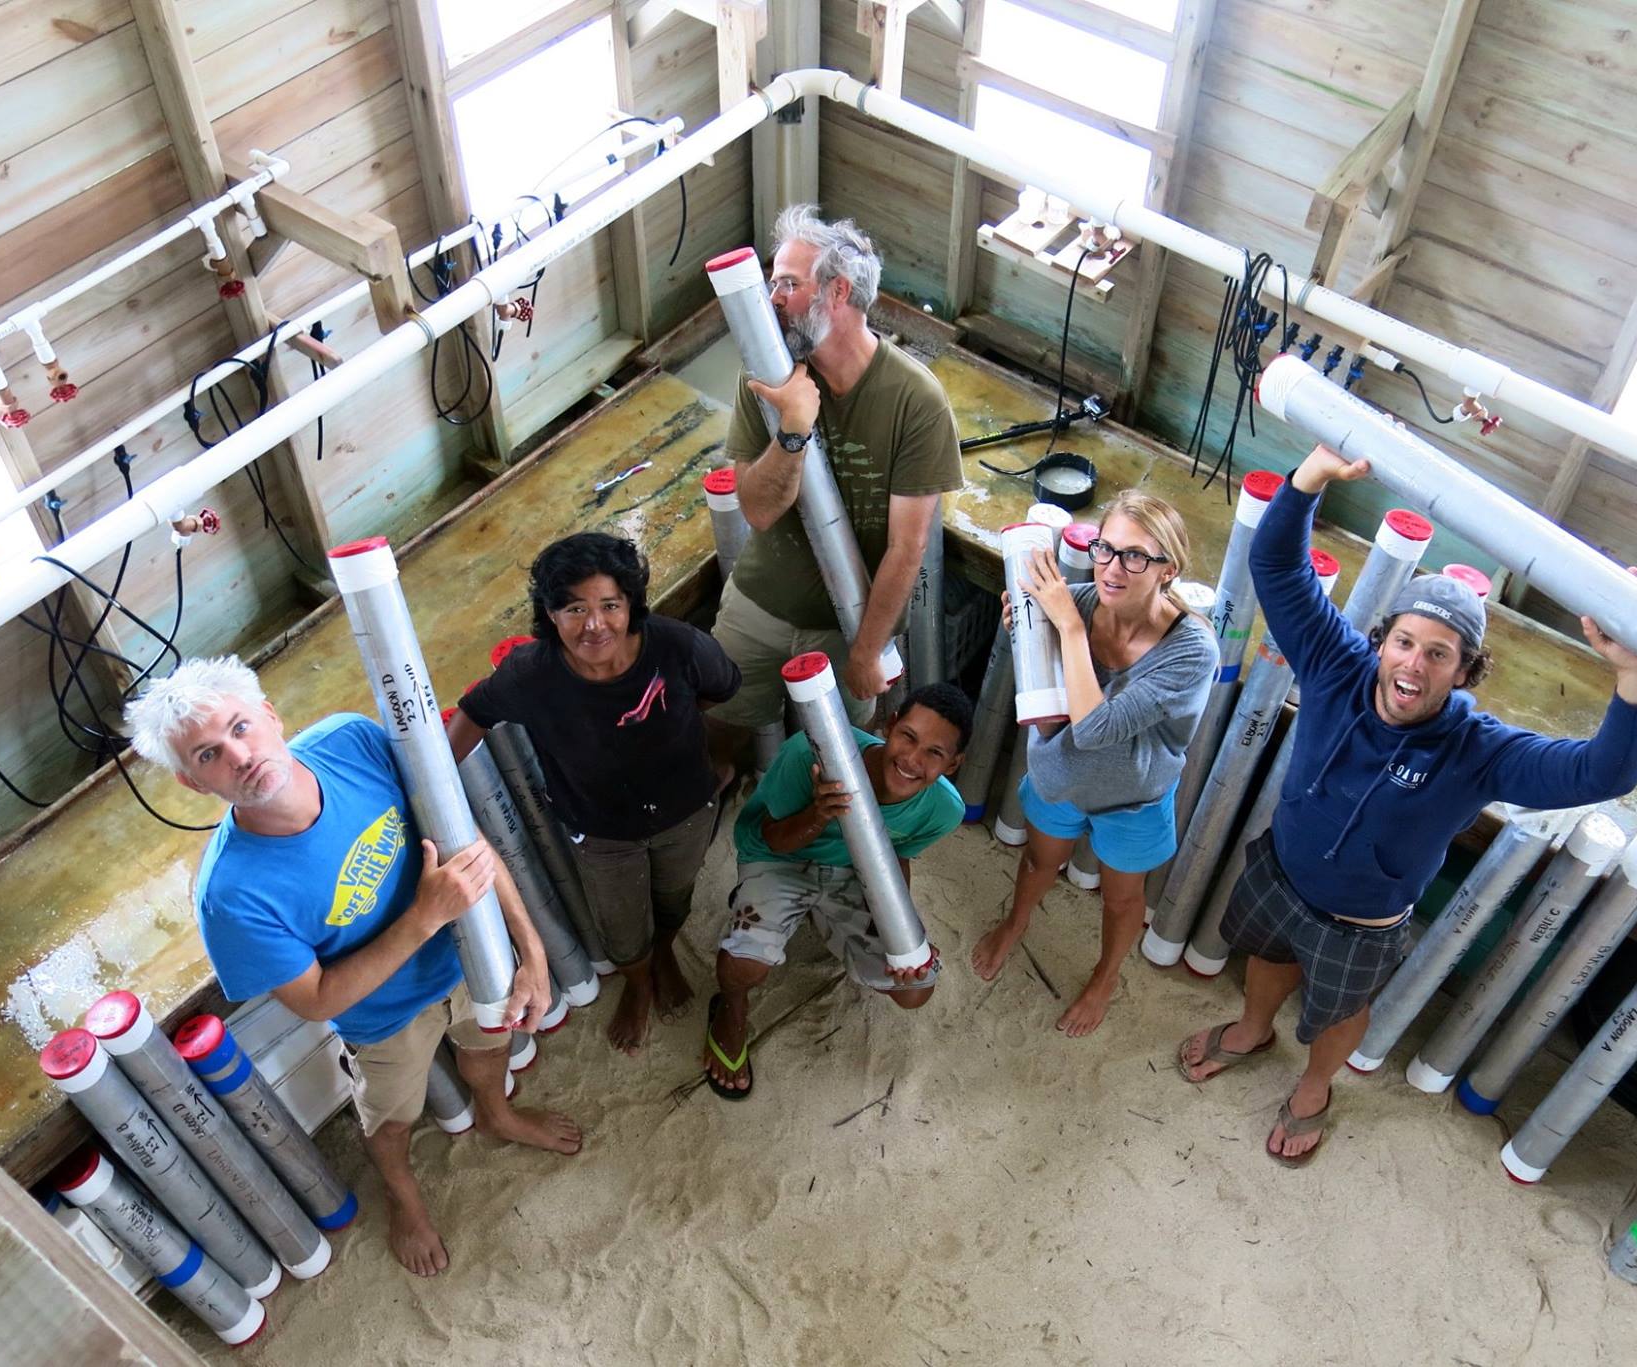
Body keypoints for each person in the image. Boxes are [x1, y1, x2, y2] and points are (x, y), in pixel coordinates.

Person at [1174, 444, 1637, 1166]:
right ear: (1383, 641)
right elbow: (1278, 568)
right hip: (1282, 873)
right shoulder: (1335, 663)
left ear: (1466, 668)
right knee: (1265, 955)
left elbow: (1601, 772)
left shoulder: (1480, 750)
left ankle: (1315, 1085)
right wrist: (1310, 477)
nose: (1414, 662)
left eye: (1439, 653)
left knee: (1340, 1010)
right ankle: (1253, 1028)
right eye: (1406, 641)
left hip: (1361, 925)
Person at [125, 656, 582, 1278]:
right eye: (207, 755)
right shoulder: (229, 896)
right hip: (382, 1018)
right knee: (391, 1119)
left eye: (239, 728)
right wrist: (424, 916)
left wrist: (530, 952)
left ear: (270, 715)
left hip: (466, 955)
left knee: (487, 1042)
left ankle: (497, 1113)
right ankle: (404, 1199)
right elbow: (316, 1002)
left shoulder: (353, 740)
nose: (237, 756)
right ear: (192, 783)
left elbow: (466, 837)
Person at [448, 532, 741, 1056]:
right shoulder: (531, 674)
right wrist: (438, 787)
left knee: (675, 894)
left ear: (631, 604)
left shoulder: (677, 646)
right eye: (575, 608)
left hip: (686, 811)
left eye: (610, 605)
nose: (594, 624)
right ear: (551, 614)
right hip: (600, 830)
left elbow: (722, 685)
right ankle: (639, 979)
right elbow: (473, 713)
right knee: (620, 922)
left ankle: (666, 951)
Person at [706, 205, 964, 755]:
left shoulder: (916, 400)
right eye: (772, 283)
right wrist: (793, 430)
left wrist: (867, 651)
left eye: (788, 285)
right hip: (760, 601)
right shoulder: (763, 378)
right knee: (719, 731)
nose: (771, 300)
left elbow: (906, 546)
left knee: (839, 755)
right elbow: (757, 510)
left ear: (838, 292)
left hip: (848, 622)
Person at [969, 491, 1214, 1037]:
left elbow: (1097, 728)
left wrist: (1070, 629)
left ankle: (1105, 977)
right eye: (1105, 549)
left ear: (1168, 569)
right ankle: (1016, 922)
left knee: (1122, 897)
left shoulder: (1192, 650)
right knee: (1038, 861)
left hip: (1135, 798)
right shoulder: (1073, 601)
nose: (1112, 568)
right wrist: (1024, 631)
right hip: (1060, 776)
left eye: (1136, 556)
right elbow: (1042, 690)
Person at [701, 683, 973, 1100]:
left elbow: (896, 856)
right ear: (890, 724)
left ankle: (819, 913)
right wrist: (818, 814)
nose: (912, 760)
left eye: (935, 753)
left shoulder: (944, 810)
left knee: (916, 988)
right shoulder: (809, 755)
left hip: (852, 870)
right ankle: (731, 1009)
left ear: (954, 764)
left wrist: (904, 933)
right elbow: (771, 839)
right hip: (782, 858)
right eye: (909, 737)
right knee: (745, 961)